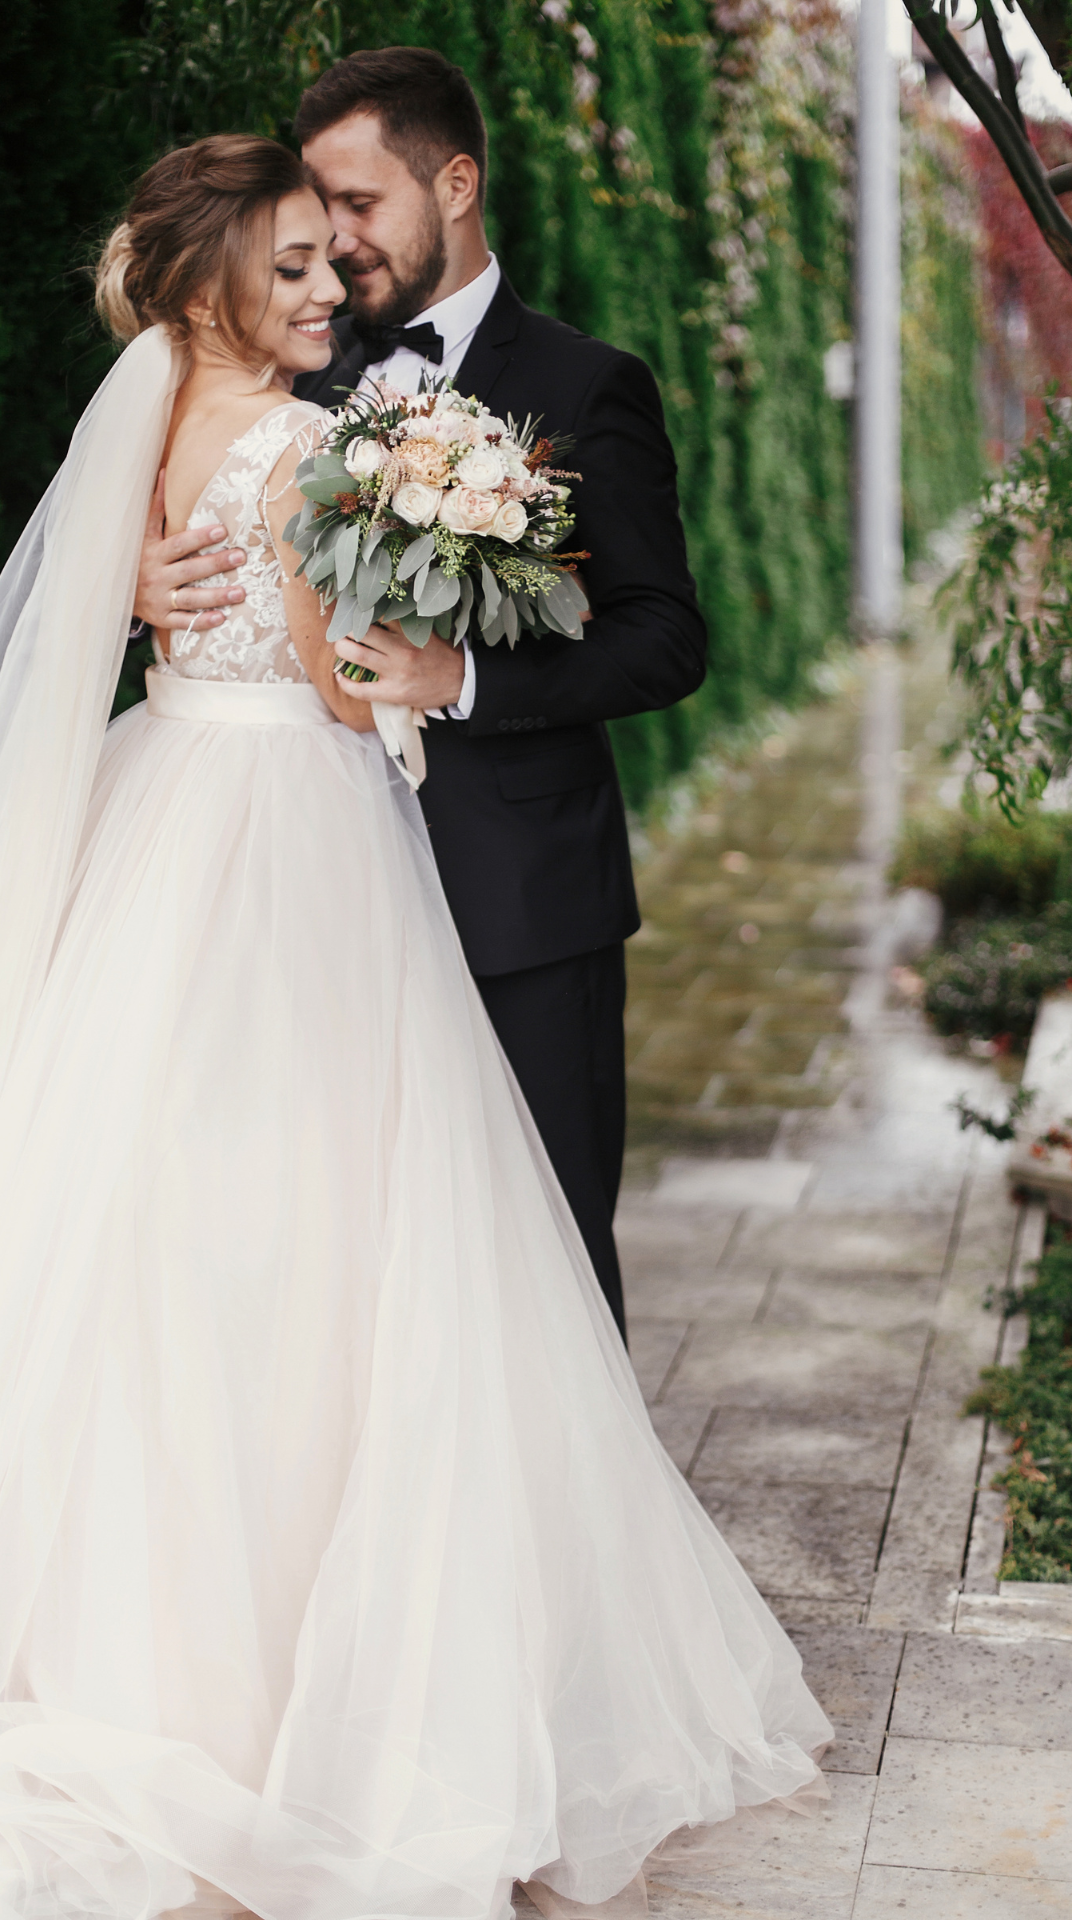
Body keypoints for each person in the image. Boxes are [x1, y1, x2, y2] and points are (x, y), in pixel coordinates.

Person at [0, 131, 830, 1920]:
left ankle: (140, 1650)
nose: (325, 289)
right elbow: (325, 670)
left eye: (332, 254)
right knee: (347, 1243)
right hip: (297, 842)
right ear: (216, 271)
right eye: (290, 265)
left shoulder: (138, 416)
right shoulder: (308, 442)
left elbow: (102, 611)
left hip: (161, 828)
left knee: (154, 1228)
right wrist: (391, 654)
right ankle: (338, 1665)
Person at [133, 48, 711, 1341]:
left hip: (520, 902)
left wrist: (464, 681)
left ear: (455, 183)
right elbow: (194, 492)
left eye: (356, 205)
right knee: (334, 1269)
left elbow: (665, 638)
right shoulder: (291, 370)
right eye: (311, 216)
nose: (332, 251)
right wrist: (142, 579)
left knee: (548, 1266)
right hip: (313, 909)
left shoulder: (584, 385)